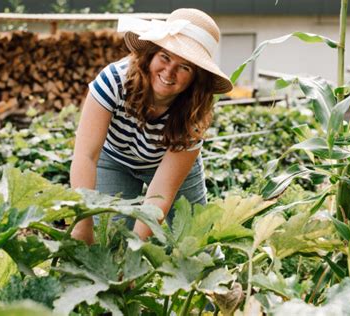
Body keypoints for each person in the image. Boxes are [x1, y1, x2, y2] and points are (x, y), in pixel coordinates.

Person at [70, 8, 233, 244]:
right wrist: (83, 225)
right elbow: (86, 156)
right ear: (151, 55)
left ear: (197, 77)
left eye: (185, 67)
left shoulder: (194, 116)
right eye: (165, 57)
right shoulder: (114, 81)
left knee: (196, 238)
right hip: (115, 160)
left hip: (167, 168)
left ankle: (217, 280)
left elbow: (161, 194)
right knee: (110, 239)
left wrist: (137, 249)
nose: (169, 72)